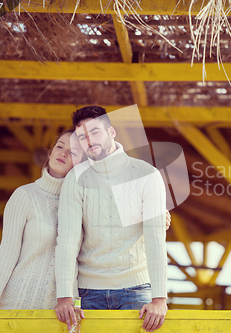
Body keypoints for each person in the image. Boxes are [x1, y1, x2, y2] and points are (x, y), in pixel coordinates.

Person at [54, 106, 168, 332]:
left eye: (95, 132)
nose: (89, 140)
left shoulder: (147, 175)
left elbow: (156, 239)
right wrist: (65, 296)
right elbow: (68, 240)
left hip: (137, 290)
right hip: (87, 293)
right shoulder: (76, 178)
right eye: (82, 136)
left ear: (111, 132)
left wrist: (159, 299)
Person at [0, 129, 83, 311]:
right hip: (19, 302)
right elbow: (8, 251)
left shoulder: (82, 203)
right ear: (51, 152)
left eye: (73, 152)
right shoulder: (24, 196)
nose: (63, 153)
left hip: (63, 310)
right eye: (60, 146)